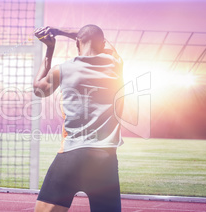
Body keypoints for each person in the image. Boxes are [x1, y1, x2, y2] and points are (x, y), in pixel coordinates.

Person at [33, 25, 124, 212]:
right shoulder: (116, 63)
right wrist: (61, 31)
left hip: (72, 154)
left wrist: (50, 49)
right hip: (105, 159)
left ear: (77, 43)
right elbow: (92, 37)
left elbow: (38, 90)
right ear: (104, 43)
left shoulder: (63, 69)